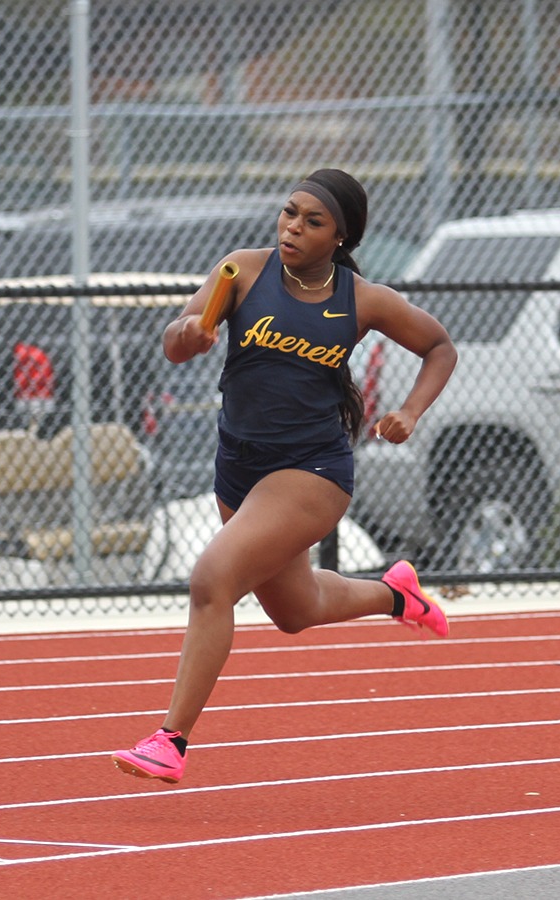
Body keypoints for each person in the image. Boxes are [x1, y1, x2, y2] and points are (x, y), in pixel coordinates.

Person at [113, 169, 457, 784]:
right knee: (296, 610)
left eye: (313, 221)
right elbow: (175, 344)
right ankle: (397, 593)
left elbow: (439, 347)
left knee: (213, 580)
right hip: (238, 465)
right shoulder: (242, 271)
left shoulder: (363, 300)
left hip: (312, 470)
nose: (293, 227)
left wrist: (408, 411)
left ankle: (171, 739)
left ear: (341, 236)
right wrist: (189, 334)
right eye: (289, 213)